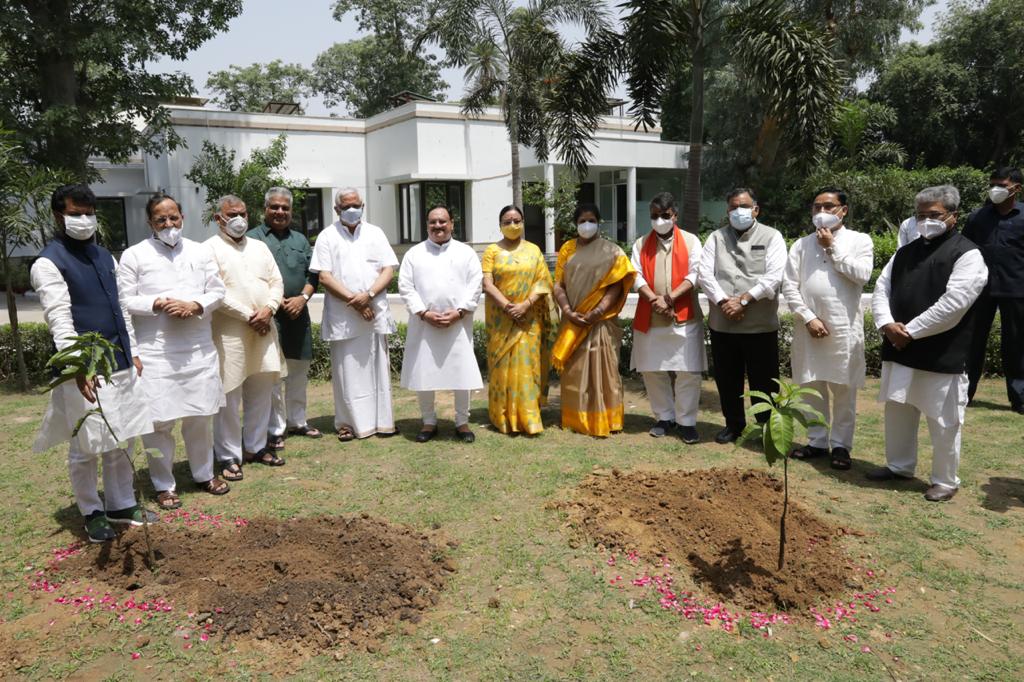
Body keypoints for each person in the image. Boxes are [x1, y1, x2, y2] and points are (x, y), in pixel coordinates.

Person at [31, 184, 157, 542]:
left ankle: (121, 503)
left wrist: (133, 350)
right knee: (86, 444)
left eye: (89, 213)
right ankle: (91, 510)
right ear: (59, 216)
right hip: (85, 367)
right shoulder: (48, 263)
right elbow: (59, 318)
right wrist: (77, 366)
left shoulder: (104, 256)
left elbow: (121, 308)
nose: (84, 220)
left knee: (123, 435)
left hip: (119, 359)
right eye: (76, 214)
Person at [869, 185, 988, 502]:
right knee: (898, 411)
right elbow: (881, 289)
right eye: (920, 215)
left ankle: (945, 480)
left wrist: (909, 331)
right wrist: (886, 323)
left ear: (953, 216)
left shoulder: (968, 254)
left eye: (934, 215)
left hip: (941, 352)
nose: (925, 221)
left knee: (944, 420)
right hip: (900, 348)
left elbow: (954, 304)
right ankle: (899, 466)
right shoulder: (904, 252)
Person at [117, 193, 230, 508]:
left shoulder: (200, 251)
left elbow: (217, 291)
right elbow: (124, 301)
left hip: (197, 350)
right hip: (156, 353)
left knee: (200, 417)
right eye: (161, 219)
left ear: (182, 217)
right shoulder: (134, 255)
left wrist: (195, 305)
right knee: (159, 423)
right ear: (150, 222)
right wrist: (155, 303)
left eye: (173, 217)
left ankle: (204, 474)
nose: (168, 224)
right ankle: (164, 485)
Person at [782, 188, 874, 470]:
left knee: (844, 390)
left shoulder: (859, 240)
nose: (821, 212)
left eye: (829, 206)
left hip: (843, 329)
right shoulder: (801, 245)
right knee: (811, 387)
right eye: (816, 206)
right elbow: (789, 286)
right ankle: (817, 441)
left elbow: (862, 275)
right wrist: (808, 317)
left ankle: (842, 446)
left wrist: (832, 247)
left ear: (843, 210)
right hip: (808, 327)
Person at [205, 194, 286, 480]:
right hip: (230, 333)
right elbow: (215, 293)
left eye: (243, 213)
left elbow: (276, 282)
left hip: (264, 329)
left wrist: (270, 308)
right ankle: (228, 455)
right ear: (218, 218)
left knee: (262, 390)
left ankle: (256, 446)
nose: (239, 219)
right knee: (229, 395)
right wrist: (251, 316)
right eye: (232, 214)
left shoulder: (260, 247)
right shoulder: (208, 249)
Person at [309, 188, 399, 441]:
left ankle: (383, 423)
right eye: (346, 206)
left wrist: (368, 295)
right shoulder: (327, 236)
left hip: (374, 313)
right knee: (347, 373)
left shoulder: (375, 233)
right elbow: (325, 277)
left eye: (356, 205)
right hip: (344, 316)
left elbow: (388, 270)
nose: (352, 210)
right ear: (336, 209)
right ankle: (347, 424)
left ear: (363, 206)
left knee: (377, 369)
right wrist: (357, 302)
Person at [698, 187, 786, 444]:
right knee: (727, 379)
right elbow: (705, 274)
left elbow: (775, 276)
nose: (739, 211)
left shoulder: (772, 236)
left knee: (764, 382)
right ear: (727, 211)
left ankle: (767, 429)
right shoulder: (716, 238)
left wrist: (744, 300)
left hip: (760, 325)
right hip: (723, 323)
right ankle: (733, 425)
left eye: (744, 206)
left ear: (756, 210)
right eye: (734, 207)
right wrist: (725, 302)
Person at [399, 205, 484, 442]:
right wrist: (423, 313)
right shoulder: (414, 254)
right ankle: (428, 422)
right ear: (427, 225)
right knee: (424, 373)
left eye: (442, 221)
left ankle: (462, 422)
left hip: (458, 324)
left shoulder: (466, 253)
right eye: (433, 222)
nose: (438, 226)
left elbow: (475, 285)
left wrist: (460, 312)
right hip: (424, 324)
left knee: (462, 372)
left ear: (452, 224)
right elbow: (405, 287)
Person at [552, 203, 636, 437]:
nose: (586, 225)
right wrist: (568, 310)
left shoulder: (612, 251)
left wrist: (597, 311)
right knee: (575, 371)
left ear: (599, 222)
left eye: (591, 220)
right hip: (573, 321)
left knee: (605, 373)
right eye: (582, 221)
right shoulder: (567, 249)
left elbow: (616, 285)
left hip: (601, 322)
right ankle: (576, 419)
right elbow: (558, 284)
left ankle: (607, 419)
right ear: (576, 224)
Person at [248, 187, 322, 449]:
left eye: (285, 208)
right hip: (268, 316)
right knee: (272, 374)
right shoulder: (252, 239)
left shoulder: (300, 240)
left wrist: (302, 298)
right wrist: (275, 300)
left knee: (298, 370)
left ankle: (298, 421)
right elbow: (249, 277)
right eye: (274, 207)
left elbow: (313, 275)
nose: (280, 212)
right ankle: (274, 428)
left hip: (298, 315)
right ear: (265, 209)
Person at [629, 192, 705, 443]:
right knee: (653, 370)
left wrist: (669, 298)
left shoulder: (691, 241)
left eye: (664, 215)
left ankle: (686, 422)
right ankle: (664, 417)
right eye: (654, 216)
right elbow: (636, 276)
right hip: (650, 316)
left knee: (688, 370)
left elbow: (695, 275)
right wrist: (655, 300)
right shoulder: (640, 244)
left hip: (684, 316)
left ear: (675, 215)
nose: (659, 220)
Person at [480, 205, 556, 435]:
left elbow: (543, 282)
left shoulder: (534, 250)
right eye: (507, 221)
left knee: (528, 367)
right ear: (500, 225)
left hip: (529, 319)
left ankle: (529, 417)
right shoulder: (492, 251)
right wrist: (507, 306)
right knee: (501, 367)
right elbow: (487, 284)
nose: (512, 225)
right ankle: (502, 417)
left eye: (516, 220)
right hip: (500, 320)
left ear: (523, 223)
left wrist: (525, 305)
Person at [963, 167, 1024, 412]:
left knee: (1017, 344)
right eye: (992, 185)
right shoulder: (978, 217)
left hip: (1017, 289)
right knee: (972, 341)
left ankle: (1019, 398)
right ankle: (963, 393)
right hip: (981, 289)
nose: (995, 189)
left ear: (1016, 188)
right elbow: (964, 250)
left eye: (1001, 185)